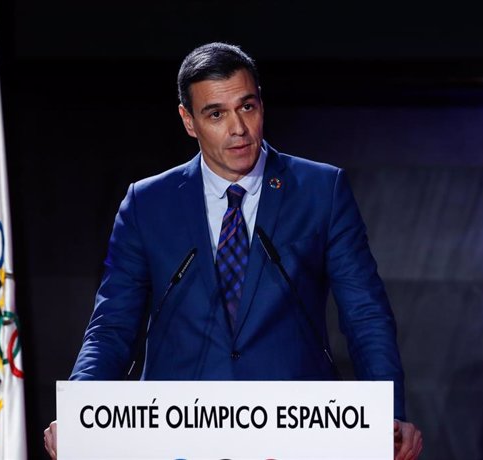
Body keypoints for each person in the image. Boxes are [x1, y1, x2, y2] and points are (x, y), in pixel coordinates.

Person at [44, 42, 422, 459]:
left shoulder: (320, 191)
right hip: (178, 440)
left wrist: (387, 414)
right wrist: (79, 411)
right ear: (189, 121)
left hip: (293, 438)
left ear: (261, 102)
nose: (238, 128)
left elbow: (365, 314)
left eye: (247, 107)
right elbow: (112, 326)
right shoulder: (148, 204)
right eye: (216, 114)